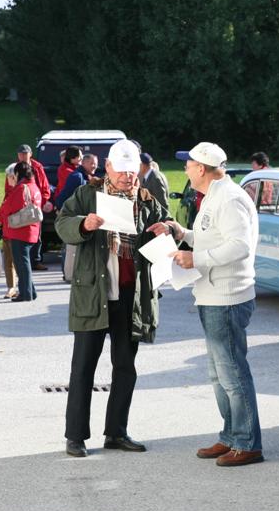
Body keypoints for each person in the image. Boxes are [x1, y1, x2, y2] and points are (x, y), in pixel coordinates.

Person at [149, 142, 263, 467]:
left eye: (188, 164)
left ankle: (247, 442)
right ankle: (232, 436)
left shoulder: (229, 199)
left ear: (201, 168)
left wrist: (196, 258)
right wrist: (180, 232)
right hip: (213, 295)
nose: (185, 169)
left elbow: (239, 247)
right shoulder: (215, 196)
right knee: (219, 373)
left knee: (232, 373)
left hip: (227, 297)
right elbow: (214, 238)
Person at [55, 139, 169, 458]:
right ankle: (75, 437)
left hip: (131, 297)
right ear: (108, 168)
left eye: (132, 173)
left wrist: (167, 230)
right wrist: (84, 224)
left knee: (125, 367)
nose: (127, 178)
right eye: (121, 172)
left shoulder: (146, 200)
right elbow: (63, 224)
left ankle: (116, 433)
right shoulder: (87, 194)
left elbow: (161, 233)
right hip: (94, 294)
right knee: (83, 369)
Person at [0, 161, 42, 302]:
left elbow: (10, 207)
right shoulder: (34, 186)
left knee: (22, 264)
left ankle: (26, 293)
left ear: (17, 174)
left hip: (20, 230)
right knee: (24, 263)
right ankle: (30, 291)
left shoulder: (21, 188)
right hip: (31, 229)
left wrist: (0, 217)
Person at [57, 152, 99, 283]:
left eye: (96, 164)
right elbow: (64, 197)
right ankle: (68, 274)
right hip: (73, 218)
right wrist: (65, 212)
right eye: (92, 163)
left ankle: (68, 273)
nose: (94, 166)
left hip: (79, 219)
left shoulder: (85, 176)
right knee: (70, 245)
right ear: (84, 163)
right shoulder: (77, 177)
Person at [14, 144, 53, 271]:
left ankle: (36, 260)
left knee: (36, 234)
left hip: (35, 205)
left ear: (30, 154)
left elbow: (44, 186)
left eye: (25, 153)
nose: (23, 156)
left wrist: (42, 202)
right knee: (21, 234)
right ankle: (22, 260)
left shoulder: (37, 167)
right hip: (19, 205)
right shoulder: (14, 168)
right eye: (21, 154)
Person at [0, 163, 19, 299]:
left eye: (9, 177)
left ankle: (20, 286)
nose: (7, 180)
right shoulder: (11, 191)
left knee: (17, 261)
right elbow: (4, 207)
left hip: (15, 231)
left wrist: (1, 216)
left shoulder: (20, 190)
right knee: (8, 261)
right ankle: (11, 287)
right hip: (7, 230)